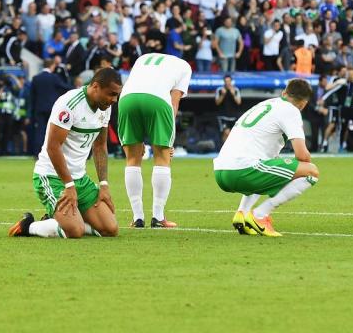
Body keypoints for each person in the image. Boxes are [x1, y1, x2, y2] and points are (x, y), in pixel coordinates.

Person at [7, 68, 122, 239]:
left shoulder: (105, 106)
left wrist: (103, 184)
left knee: (110, 229)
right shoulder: (69, 104)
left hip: (80, 179)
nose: (114, 100)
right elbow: (53, 147)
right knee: (75, 231)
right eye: (111, 94)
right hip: (52, 177)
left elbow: (99, 146)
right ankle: (29, 226)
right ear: (96, 86)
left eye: (117, 95)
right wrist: (69, 186)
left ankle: (57, 220)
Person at [214, 78, 319, 237]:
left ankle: (241, 214)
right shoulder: (291, 110)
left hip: (221, 171)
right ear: (303, 103)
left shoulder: (267, 104)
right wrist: (298, 168)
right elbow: (302, 155)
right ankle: (260, 215)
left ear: (284, 92)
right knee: (311, 172)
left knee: (266, 166)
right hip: (241, 171)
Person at [118, 52, 192, 228]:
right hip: (157, 99)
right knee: (162, 157)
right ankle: (158, 217)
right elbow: (174, 102)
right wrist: (169, 141)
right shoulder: (185, 66)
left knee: (132, 159)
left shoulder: (143, 57)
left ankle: (137, 218)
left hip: (127, 98)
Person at [28, 59, 72, 156]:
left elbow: (32, 97)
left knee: (40, 131)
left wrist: (31, 112)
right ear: (52, 65)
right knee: (53, 131)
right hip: (52, 109)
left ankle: (38, 153)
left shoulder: (36, 78)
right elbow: (65, 87)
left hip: (39, 109)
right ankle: (52, 152)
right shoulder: (54, 77)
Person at [215, 74, 242, 143]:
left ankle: (229, 150)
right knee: (226, 132)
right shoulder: (220, 90)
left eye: (229, 81)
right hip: (223, 116)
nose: (227, 83)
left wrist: (233, 95)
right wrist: (223, 95)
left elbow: (239, 102)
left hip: (233, 116)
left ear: (231, 81)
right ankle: (223, 150)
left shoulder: (236, 90)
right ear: (224, 82)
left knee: (232, 134)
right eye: (226, 81)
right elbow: (217, 103)